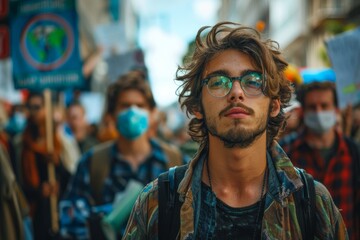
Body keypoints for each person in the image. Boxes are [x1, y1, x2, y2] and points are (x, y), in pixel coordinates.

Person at [123, 22, 348, 239]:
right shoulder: (158, 203)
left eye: (253, 81)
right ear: (197, 107)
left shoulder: (311, 203)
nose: (237, 92)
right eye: (218, 82)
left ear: (275, 105)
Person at [60, 71, 189, 239]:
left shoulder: (176, 162)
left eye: (140, 105)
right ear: (111, 115)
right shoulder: (91, 163)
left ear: (152, 114)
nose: (132, 111)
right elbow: (71, 221)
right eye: (125, 105)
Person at [279, 81, 359, 240]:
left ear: (335, 109)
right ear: (303, 111)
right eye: (312, 107)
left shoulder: (353, 151)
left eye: (324, 106)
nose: (318, 112)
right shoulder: (285, 151)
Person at [21, 92, 71, 240]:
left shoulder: (61, 142)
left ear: (47, 109)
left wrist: (58, 165)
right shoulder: (21, 144)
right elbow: (16, 184)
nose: (33, 112)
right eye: (29, 107)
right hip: (33, 215)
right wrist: (38, 191)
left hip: (57, 214)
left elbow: (72, 178)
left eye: (37, 107)